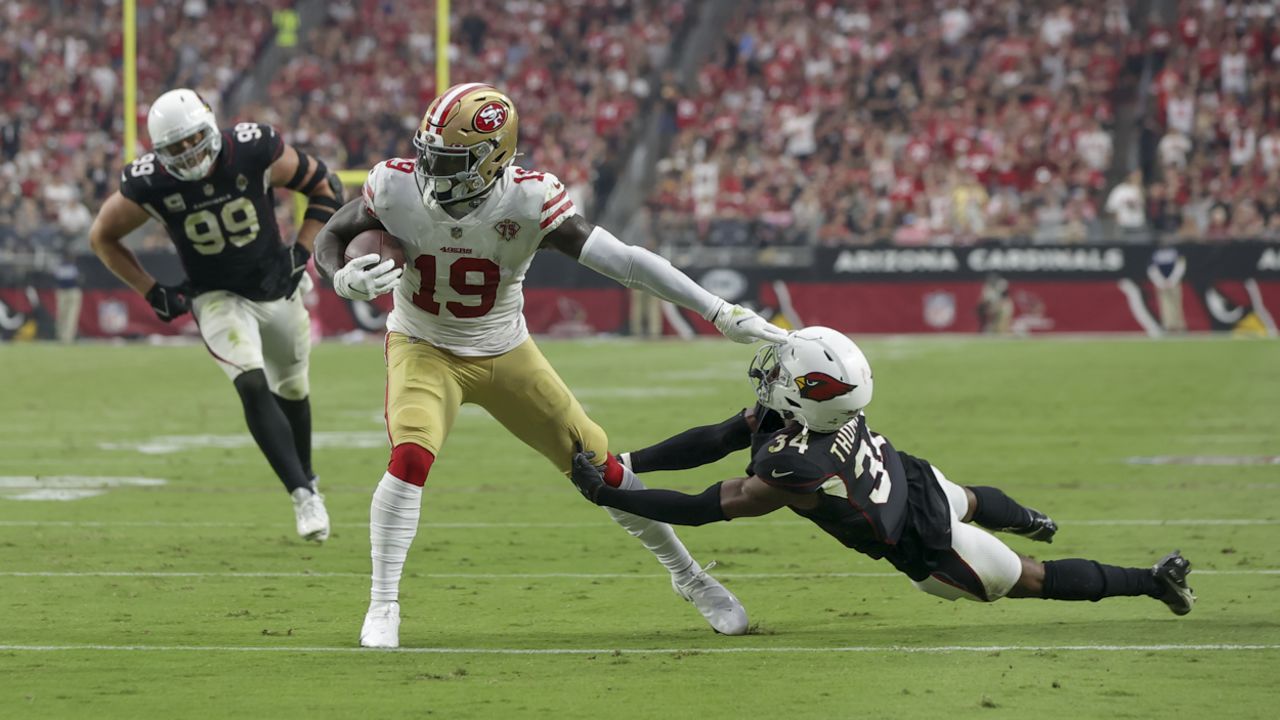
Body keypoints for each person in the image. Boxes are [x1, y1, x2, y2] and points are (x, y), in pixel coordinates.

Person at [312, 83, 787, 648]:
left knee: (600, 467)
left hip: (506, 351)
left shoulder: (530, 200)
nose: (429, 171)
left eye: (448, 161)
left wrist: (719, 311)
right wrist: (338, 276)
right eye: (428, 154)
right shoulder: (393, 184)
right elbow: (332, 234)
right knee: (411, 454)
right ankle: (383, 604)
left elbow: (628, 263)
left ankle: (689, 576)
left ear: (493, 159)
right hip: (424, 345)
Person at [569, 327, 1195, 617]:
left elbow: (712, 502)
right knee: (969, 496)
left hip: (927, 547)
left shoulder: (795, 463)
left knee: (1026, 579)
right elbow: (720, 438)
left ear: (810, 394)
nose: (775, 372)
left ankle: (1150, 582)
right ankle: (1034, 518)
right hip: (912, 476)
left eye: (788, 369)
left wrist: (609, 495)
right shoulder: (806, 417)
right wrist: (630, 463)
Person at [89, 89, 342, 542]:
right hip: (216, 295)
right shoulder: (150, 182)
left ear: (211, 127)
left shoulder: (252, 148)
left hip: (275, 286)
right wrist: (150, 290)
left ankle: (307, 477)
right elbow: (103, 237)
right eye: (175, 148)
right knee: (248, 379)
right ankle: (302, 494)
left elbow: (325, 188)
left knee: (293, 388)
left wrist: (300, 253)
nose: (188, 153)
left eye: (192, 140)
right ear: (158, 153)